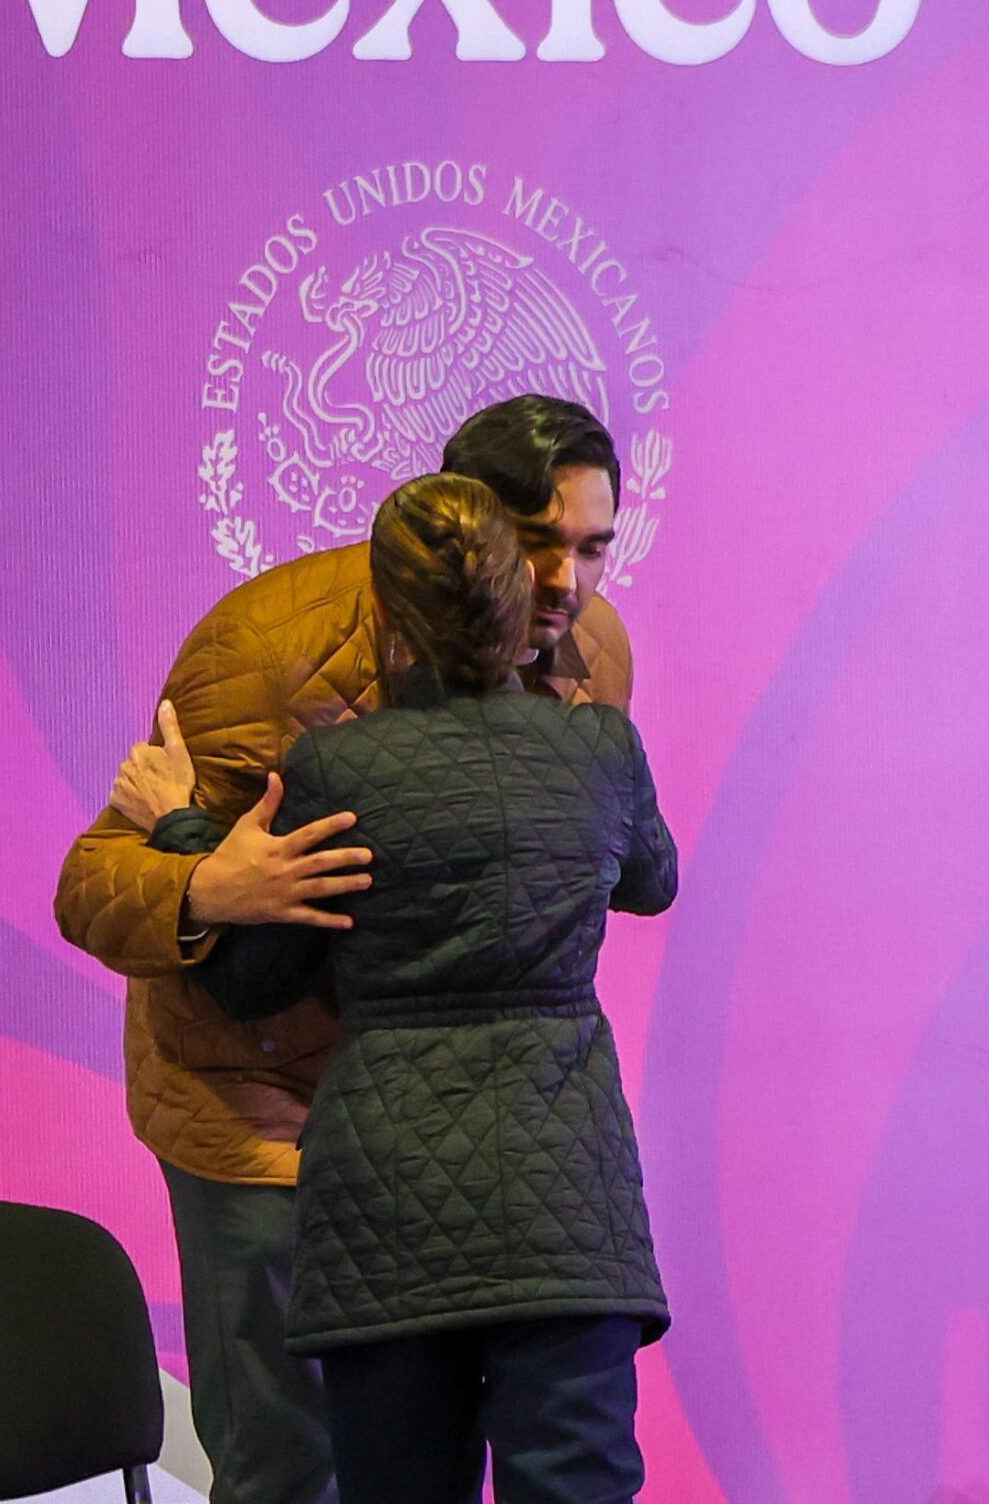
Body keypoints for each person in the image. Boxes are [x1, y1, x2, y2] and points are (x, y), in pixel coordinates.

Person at [57, 397, 636, 1504]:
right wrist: (207, 881)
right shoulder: (262, 652)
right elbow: (91, 882)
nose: (564, 582)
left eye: (593, 547)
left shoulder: (591, 654)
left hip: (459, 1119)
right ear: (452, 520)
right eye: (536, 543)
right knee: (293, 1465)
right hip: (259, 1102)